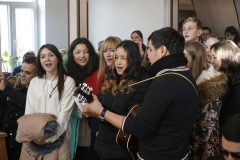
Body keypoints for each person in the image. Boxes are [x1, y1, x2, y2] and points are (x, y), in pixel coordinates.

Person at [82, 27, 200, 160]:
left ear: (162, 50)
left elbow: (139, 126)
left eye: (149, 49)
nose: (147, 55)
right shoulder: (185, 75)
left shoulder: (164, 82)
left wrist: (101, 113)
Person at [78, 40, 150, 160]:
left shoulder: (142, 82)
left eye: (123, 58)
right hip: (102, 145)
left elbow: (130, 119)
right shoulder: (110, 77)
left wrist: (99, 113)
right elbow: (99, 100)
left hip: (122, 148)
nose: (118, 62)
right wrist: (89, 104)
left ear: (133, 59)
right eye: (116, 57)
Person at [24, 44, 75, 150]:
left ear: (58, 58)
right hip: (35, 137)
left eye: (51, 55)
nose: (46, 59)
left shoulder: (68, 82)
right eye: (42, 56)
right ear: (40, 61)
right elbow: (29, 112)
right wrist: (33, 135)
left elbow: (64, 115)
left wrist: (49, 139)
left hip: (59, 138)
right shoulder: (34, 82)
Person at [184, 42, 228, 160]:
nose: (181, 61)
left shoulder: (210, 87)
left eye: (184, 57)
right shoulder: (189, 79)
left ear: (196, 59)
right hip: (190, 148)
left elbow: (204, 132)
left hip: (204, 152)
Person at [64, 37, 101, 160]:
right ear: (72, 54)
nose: (82, 55)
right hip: (75, 121)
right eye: (78, 52)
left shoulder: (98, 71)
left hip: (94, 122)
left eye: (86, 51)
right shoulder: (67, 74)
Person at [0, 56, 36, 160]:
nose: (22, 75)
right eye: (22, 71)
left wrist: (6, 89)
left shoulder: (38, 90)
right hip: (7, 136)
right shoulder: (16, 86)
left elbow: (27, 101)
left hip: (22, 143)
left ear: (37, 75)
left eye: (27, 72)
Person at [210, 40, 240, 133]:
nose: (211, 61)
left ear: (226, 57)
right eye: (210, 57)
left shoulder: (237, 86)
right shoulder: (227, 79)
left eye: (214, 57)